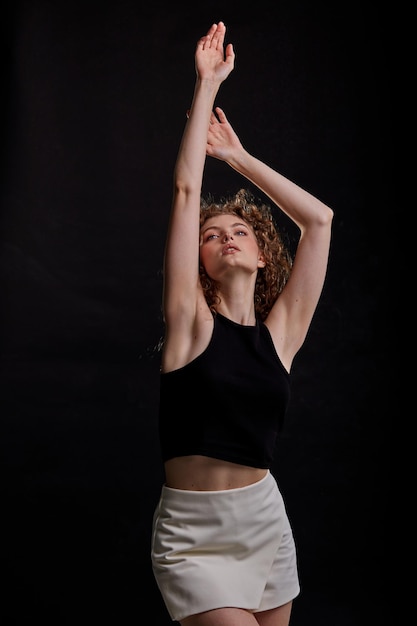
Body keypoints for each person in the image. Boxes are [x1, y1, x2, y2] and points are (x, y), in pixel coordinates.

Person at [151, 21, 333, 626]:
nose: (226, 238)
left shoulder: (281, 333)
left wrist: (237, 156)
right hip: (194, 539)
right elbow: (185, 191)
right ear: (200, 262)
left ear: (262, 255)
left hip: (265, 524)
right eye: (211, 235)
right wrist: (205, 85)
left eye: (240, 232)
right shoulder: (188, 325)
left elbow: (321, 222)